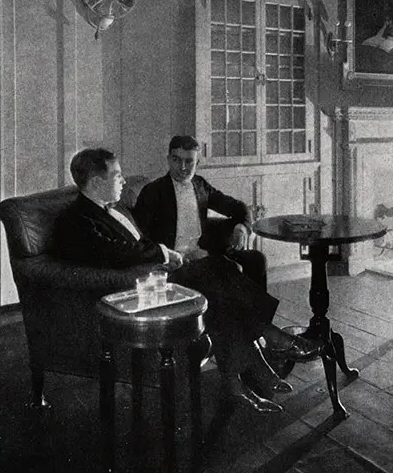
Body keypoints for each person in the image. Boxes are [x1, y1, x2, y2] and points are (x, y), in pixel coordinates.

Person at [53, 148, 318, 414]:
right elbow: (116, 253)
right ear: (98, 182)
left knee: (221, 286)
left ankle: (237, 379)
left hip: (157, 273)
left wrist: (166, 254)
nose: (123, 181)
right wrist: (164, 254)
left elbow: (139, 240)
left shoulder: (117, 206)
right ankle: (265, 341)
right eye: (118, 176)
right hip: (139, 293)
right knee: (217, 271)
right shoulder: (77, 219)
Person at [133, 134, 267, 289]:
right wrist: (169, 256)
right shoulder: (153, 191)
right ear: (168, 160)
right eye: (177, 160)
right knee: (230, 270)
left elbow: (239, 207)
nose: (183, 167)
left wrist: (241, 228)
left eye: (189, 161)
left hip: (203, 253)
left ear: (197, 163)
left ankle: (253, 314)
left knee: (257, 260)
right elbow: (140, 237)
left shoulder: (200, 185)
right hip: (174, 262)